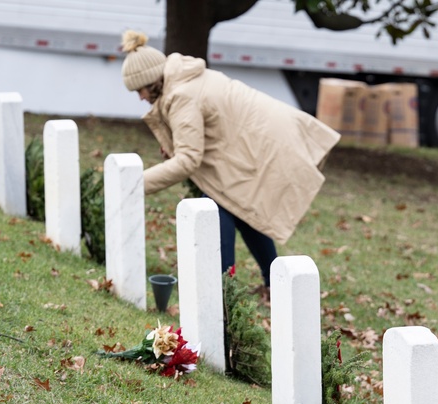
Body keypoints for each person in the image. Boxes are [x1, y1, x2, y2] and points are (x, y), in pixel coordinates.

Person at [120, 31, 340, 289]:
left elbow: (189, 159)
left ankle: (223, 290)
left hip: (263, 145)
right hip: (261, 141)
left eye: (141, 89)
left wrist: (134, 184)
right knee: (242, 206)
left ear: (153, 80)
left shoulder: (181, 96)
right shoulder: (186, 78)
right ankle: (271, 284)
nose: (141, 97)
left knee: (215, 207)